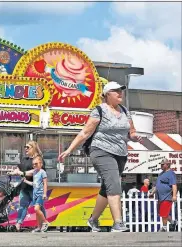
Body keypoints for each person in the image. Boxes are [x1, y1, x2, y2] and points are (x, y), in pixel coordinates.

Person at [58, 81, 142, 233]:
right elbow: (85, 133)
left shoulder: (124, 111)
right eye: (116, 91)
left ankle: (93, 220)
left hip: (121, 153)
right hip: (101, 151)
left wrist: (135, 137)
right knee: (114, 183)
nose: (120, 93)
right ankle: (118, 223)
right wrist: (69, 150)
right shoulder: (99, 111)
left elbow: (131, 131)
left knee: (107, 187)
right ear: (107, 94)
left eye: (121, 90)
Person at [11, 140, 44, 231]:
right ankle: (18, 224)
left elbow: (36, 171)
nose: (25, 149)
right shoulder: (24, 159)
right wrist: (13, 172)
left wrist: (23, 173)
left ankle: (42, 224)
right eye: (25, 147)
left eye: (27, 147)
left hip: (35, 188)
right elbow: (18, 169)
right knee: (22, 206)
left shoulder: (38, 159)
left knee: (38, 207)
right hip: (25, 187)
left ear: (33, 148)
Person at [13, 156, 50, 233]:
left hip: (40, 194)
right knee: (38, 211)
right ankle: (39, 227)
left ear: (41, 164)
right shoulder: (35, 172)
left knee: (36, 209)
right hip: (35, 194)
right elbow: (34, 184)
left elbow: (45, 183)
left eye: (36, 164)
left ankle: (45, 222)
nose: (34, 166)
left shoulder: (42, 172)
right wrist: (26, 181)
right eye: (33, 164)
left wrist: (44, 194)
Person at [149, 159, 177, 232]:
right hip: (160, 197)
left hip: (167, 196)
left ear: (167, 165)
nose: (161, 165)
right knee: (161, 213)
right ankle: (173, 222)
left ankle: (164, 228)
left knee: (164, 213)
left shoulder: (171, 173)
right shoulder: (161, 174)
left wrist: (174, 196)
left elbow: (174, 185)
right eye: (161, 164)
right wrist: (152, 192)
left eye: (162, 164)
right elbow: (157, 186)